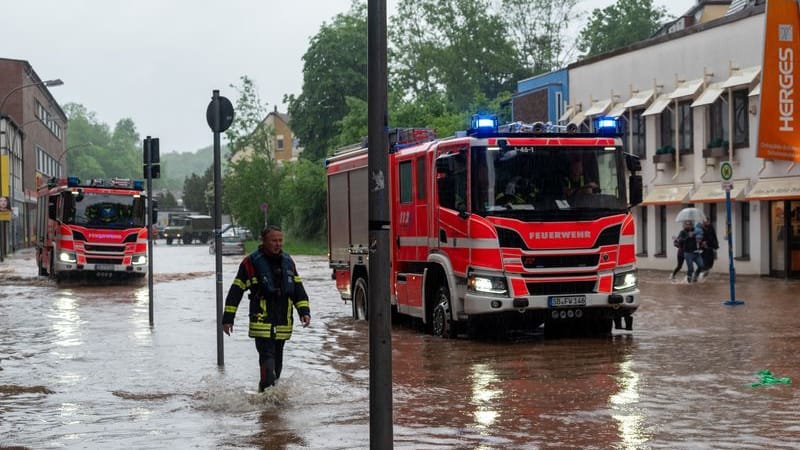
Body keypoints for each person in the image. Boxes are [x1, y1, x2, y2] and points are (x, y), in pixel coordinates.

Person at [222, 225, 311, 392]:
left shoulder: (288, 261)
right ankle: (265, 404)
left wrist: (304, 312)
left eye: (280, 240)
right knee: (268, 364)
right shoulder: (250, 263)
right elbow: (236, 290)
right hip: (262, 322)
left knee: (277, 367)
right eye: (273, 241)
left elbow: (298, 289)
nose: (278, 244)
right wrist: (228, 318)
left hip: (283, 323)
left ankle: (270, 405)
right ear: (263, 241)